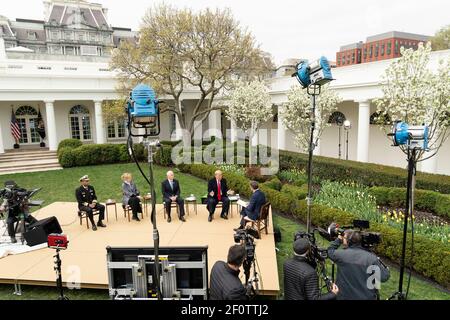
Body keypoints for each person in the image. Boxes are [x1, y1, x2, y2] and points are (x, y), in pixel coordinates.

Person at [327, 229, 390, 300]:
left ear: (348, 241)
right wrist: (386, 269)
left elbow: (330, 251)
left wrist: (339, 239)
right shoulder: (372, 258)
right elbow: (384, 277)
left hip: (343, 297)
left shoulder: (341, 254)